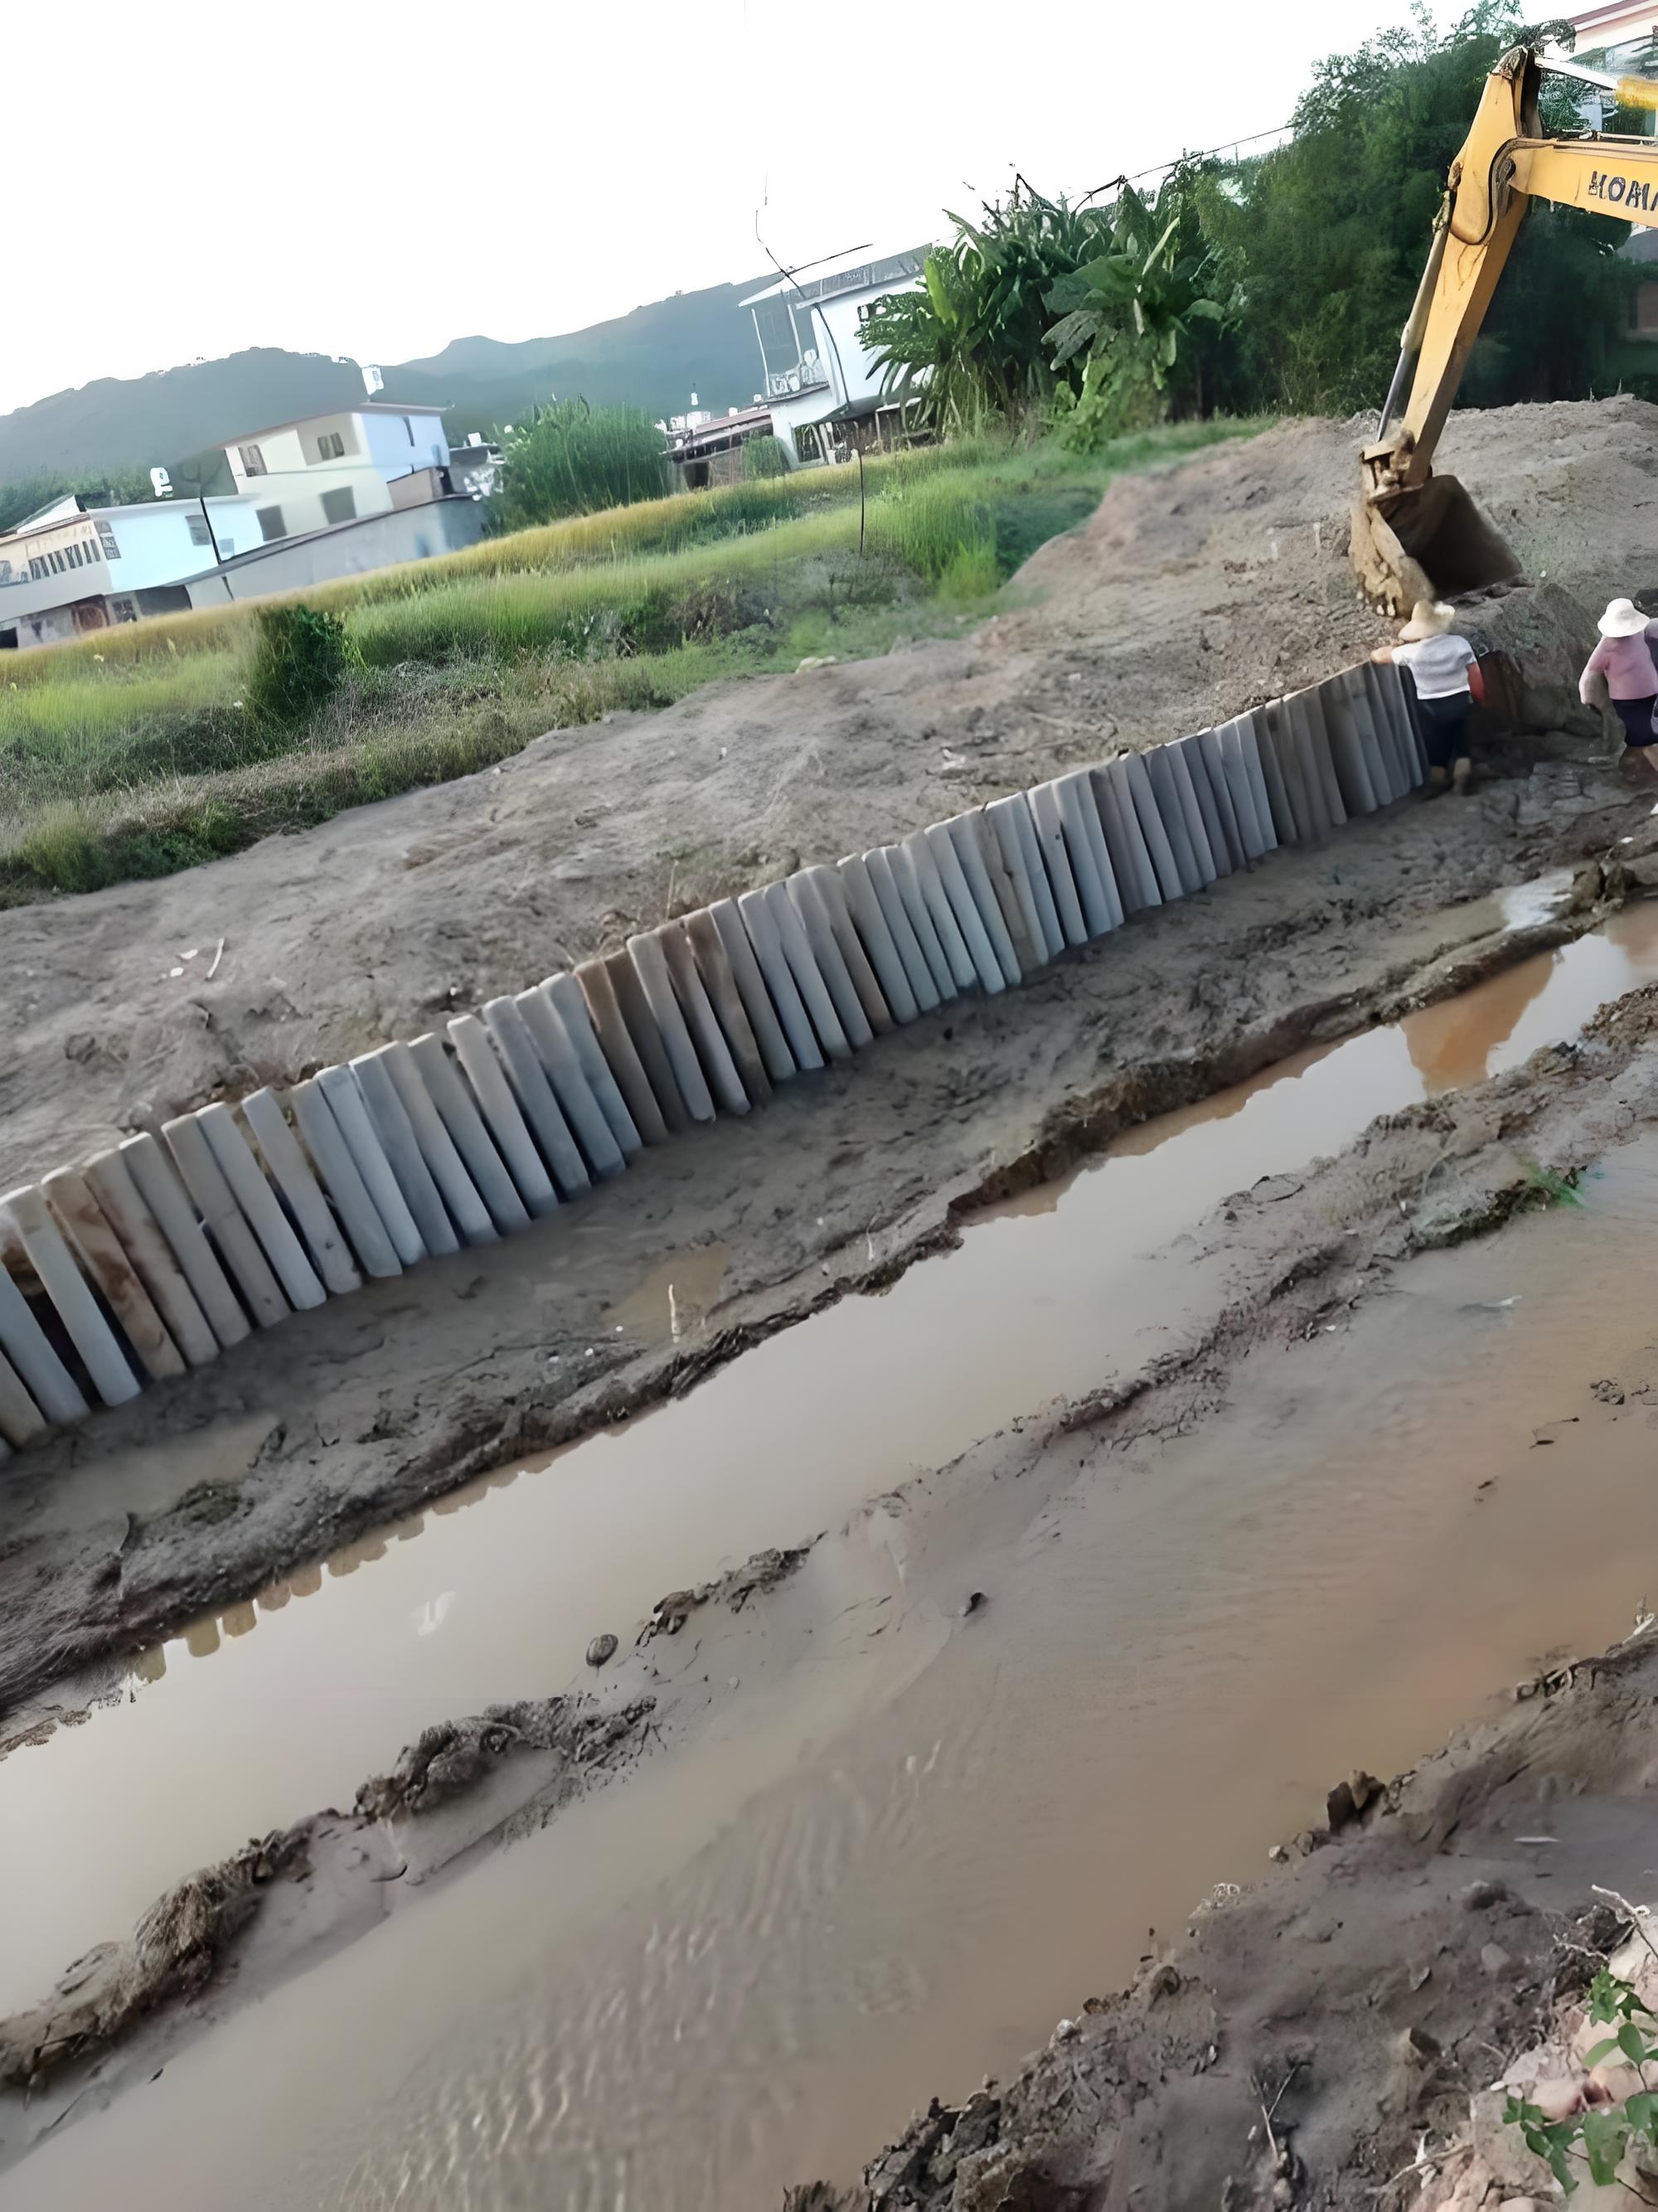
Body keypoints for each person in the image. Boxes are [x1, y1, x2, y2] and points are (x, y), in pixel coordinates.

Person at [1370, 600, 1484, 794]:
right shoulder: (1459, 643)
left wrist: (1391, 648)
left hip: (1431, 706)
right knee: (1461, 741)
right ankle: (1461, 777)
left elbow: (1379, 656)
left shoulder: (1412, 652)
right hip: (1460, 699)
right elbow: (1475, 674)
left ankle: (1436, 782)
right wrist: (1479, 698)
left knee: (1437, 744)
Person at [1578, 597, 1658, 779]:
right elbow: (1590, 676)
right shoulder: (1608, 646)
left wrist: (1589, 698)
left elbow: (1588, 678)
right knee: (1647, 742)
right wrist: (1591, 698)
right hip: (1630, 702)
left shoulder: (1646, 633)